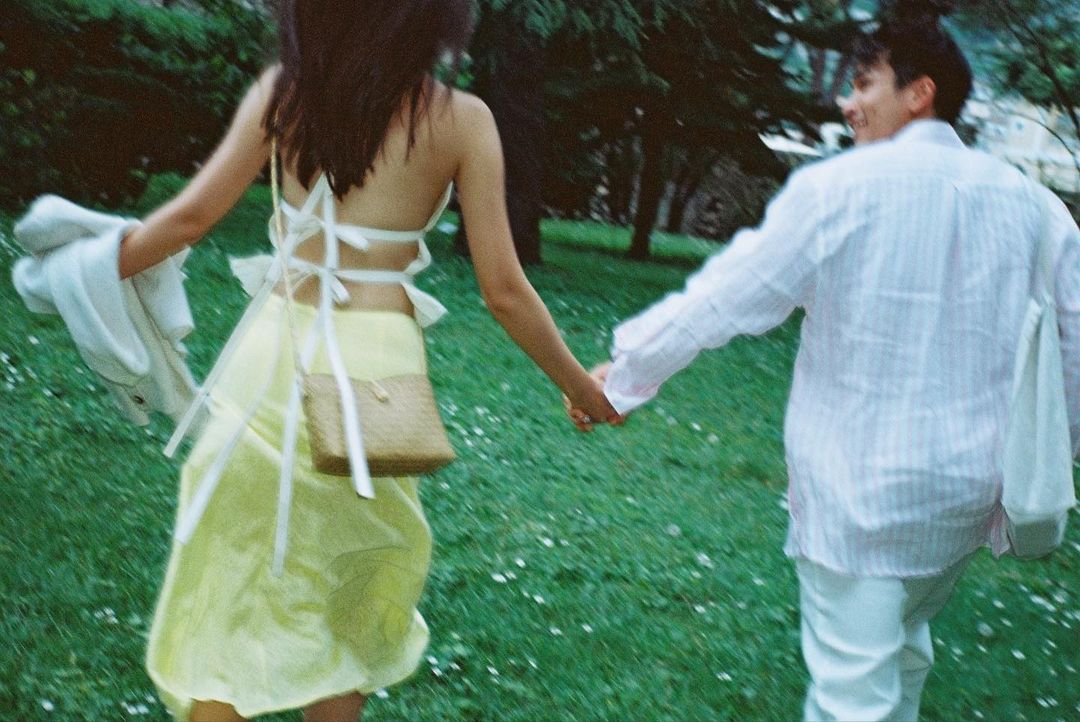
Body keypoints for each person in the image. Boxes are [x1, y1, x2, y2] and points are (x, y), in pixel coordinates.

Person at [117, 1, 618, 720]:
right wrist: (580, 387)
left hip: (271, 357)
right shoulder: (461, 120)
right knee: (349, 589)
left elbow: (191, 216)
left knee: (233, 573)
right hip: (375, 370)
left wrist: (86, 267)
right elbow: (503, 290)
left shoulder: (281, 94)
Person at [571, 17, 1080, 722]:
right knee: (901, 659)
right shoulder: (1038, 209)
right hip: (966, 493)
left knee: (852, 699)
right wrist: (1046, 457)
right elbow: (1073, 345)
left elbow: (726, 297)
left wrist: (623, 378)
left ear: (920, 93)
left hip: (860, 496)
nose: (847, 101)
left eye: (864, 83)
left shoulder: (839, 189)